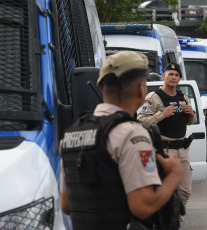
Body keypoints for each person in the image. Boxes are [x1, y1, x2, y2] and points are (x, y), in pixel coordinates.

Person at [59, 51, 184, 230]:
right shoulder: (132, 134)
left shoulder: (72, 133)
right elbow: (143, 206)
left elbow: (66, 205)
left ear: (101, 87)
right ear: (142, 89)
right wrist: (174, 174)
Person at [137, 62, 197, 222]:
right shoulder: (153, 97)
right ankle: (164, 222)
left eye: (176, 75)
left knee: (185, 190)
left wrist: (192, 113)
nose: (173, 77)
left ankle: (175, 220)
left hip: (182, 149)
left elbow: (191, 121)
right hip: (163, 150)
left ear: (179, 79)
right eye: (170, 74)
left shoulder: (182, 96)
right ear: (164, 76)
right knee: (164, 190)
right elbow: (141, 121)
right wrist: (161, 115)